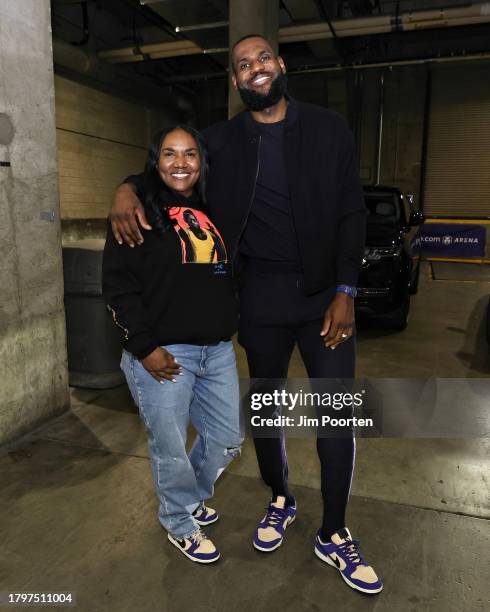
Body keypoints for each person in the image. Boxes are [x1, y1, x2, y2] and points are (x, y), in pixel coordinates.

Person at [110, 35, 383, 594]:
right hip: (258, 300)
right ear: (235, 81)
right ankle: (280, 497)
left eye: (263, 59)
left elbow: (353, 212)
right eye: (242, 65)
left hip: (323, 301)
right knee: (267, 413)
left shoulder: (329, 129)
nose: (255, 69)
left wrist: (346, 289)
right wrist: (124, 190)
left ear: (281, 66)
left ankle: (334, 532)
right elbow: (167, 169)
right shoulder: (220, 142)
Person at [102, 125, 242, 564]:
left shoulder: (211, 206)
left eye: (190, 154)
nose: (180, 162)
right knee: (170, 448)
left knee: (227, 438)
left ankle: (190, 498)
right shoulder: (137, 209)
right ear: (155, 160)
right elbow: (118, 286)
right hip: (163, 352)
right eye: (169, 153)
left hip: (216, 350)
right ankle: (179, 521)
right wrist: (145, 347)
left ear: (202, 162)